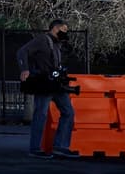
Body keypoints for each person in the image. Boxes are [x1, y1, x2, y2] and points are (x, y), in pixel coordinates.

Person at [17, 19, 79, 159]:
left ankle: (60, 146)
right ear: (56, 28)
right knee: (41, 114)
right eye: (64, 30)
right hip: (43, 82)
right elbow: (22, 52)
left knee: (68, 112)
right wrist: (24, 69)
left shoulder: (57, 44)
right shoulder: (42, 40)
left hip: (55, 83)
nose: (65, 34)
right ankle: (35, 148)